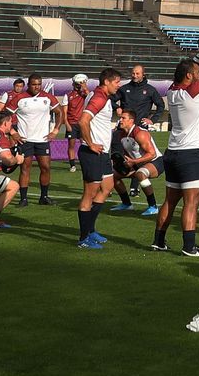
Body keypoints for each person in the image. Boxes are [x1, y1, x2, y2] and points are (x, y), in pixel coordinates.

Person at [155, 51, 199, 256]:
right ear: (188, 77)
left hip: (173, 152)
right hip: (190, 154)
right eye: (196, 72)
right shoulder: (192, 91)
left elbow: (188, 70)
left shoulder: (172, 91)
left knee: (170, 200)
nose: (198, 74)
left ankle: (158, 241)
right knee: (191, 203)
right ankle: (189, 247)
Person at [74, 68, 123, 249]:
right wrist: (91, 143)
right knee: (89, 194)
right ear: (107, 82)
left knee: (107, 187)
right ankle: (83, 238)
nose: (119, 85)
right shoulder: (100, 98)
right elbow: (83, 121)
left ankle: (91, 229)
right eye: (117, 82)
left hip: (102, 153)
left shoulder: (100, 95)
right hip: (92, 152)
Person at [9, 74, 60, 206]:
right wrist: (13, 132)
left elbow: (60, 112)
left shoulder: (47, 97)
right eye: (34, 84)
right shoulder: (19, 98)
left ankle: (44, 197)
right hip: (25, 140)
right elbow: (4, 115)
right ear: (28, 84)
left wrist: (55, 130)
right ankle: (23, 199)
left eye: (39, 84)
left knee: (46, 168)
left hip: (42, 140)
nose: (36, 87)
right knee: (25, 169)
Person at [116, 64, 166, 197]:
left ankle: (134, 187)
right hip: (124, 128)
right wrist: (116, 107)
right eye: (133, 73)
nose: (135, 76)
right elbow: (111, 99)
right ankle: (112, 182)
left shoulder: (150, 90)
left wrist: (153, 119)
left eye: (137, 73)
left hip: (139, 128)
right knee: (122, 154)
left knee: (139, 156)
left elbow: (161, 105)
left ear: (143, 74)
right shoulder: (124, 89)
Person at [111, 109, 162, 215]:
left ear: (131, 121)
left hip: (156, 161)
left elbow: (152, 154)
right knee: (113, 175)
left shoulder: (140, 133)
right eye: (120, 118)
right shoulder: (122, 135)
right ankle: (126, 204)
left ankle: (153, 206)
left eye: (123, 118)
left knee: (141, 174)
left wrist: (134, 161)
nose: (120, 120)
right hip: (138, 163)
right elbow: (129, 153)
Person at [64, 74, 89, 170]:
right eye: (77, 83)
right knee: (71, 145)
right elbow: (64, 112)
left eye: (80, 84)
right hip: (72, 124)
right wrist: (66, 124)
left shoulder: (84, 94)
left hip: (82, 123)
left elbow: (90, 96)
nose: (79, 85)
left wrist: (84, 86)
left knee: (85, 143)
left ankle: (85, 162)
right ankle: (72, 165)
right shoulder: (68, 95)